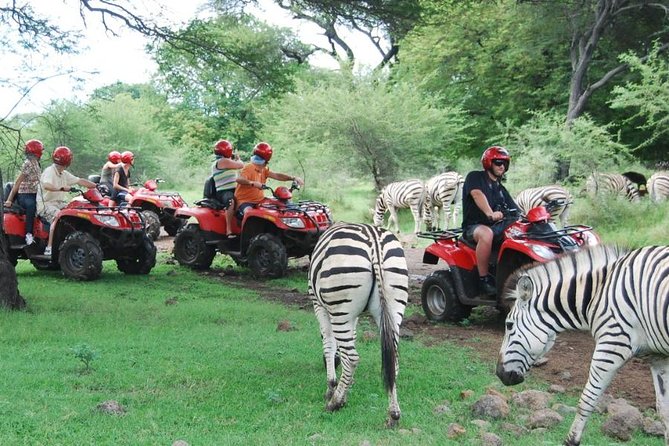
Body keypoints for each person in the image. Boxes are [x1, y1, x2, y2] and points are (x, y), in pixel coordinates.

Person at [461, 146, 518, 296]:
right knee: (486, 234)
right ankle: (484, 280)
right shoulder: (475, 177)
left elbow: (516, 209)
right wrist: (490, 213)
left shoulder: (500, 188)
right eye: (498, 162)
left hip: (497, 227)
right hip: (474, 227)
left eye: (505, 163)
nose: (502, 166)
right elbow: (477, 195)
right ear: (488, 163)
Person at [38, 146, 97, 256]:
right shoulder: (50, 171)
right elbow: (46, 185)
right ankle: (49, 247)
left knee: (76, 211)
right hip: (46, 204)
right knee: (58, 216)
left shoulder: (64, 173)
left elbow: (80, 181)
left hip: (59, 203)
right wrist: (60, 188)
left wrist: (97, 186)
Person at [234, 142, 304, 215]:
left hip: (260, 200)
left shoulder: (264, 169)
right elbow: (239, 179)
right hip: (245, 201)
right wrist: (252, 183)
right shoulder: (249, 167)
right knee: (250, 213)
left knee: (281, 206)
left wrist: (293, 178)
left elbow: (277, 175)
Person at [3, 139, 44, 245]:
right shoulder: (28, 163)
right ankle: (28, 234)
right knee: (31, 205)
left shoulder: (36, 163)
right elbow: (18, 182)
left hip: (35, 193)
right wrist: (9, 199)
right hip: (25, 195)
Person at [211, 139, 244, 237]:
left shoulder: (226, 161)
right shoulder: (222, 161)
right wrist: (238, 158)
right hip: (224, 191)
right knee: (231, 201)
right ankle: (228, 230)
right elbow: (241, 165)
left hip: (235, 189)